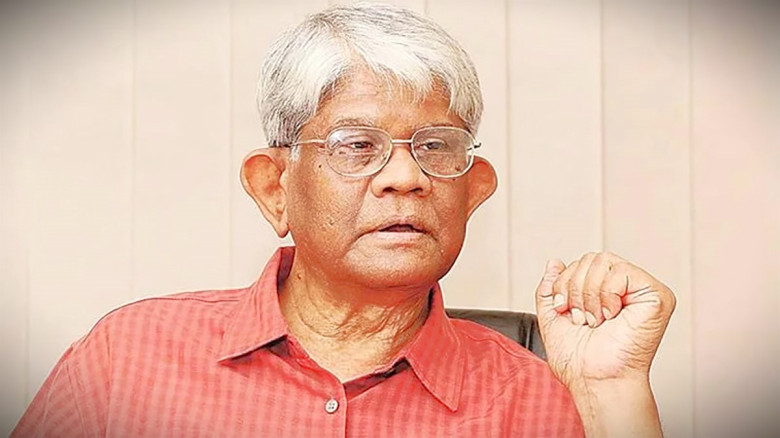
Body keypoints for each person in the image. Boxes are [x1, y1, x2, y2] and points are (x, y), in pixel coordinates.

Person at [12, 3, 676, 437]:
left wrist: (609, 396)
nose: (405, 176)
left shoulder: (539, 399)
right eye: (356, 146)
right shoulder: (129, 359)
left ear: (472, 192)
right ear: (274, 189)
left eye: (435, 147)